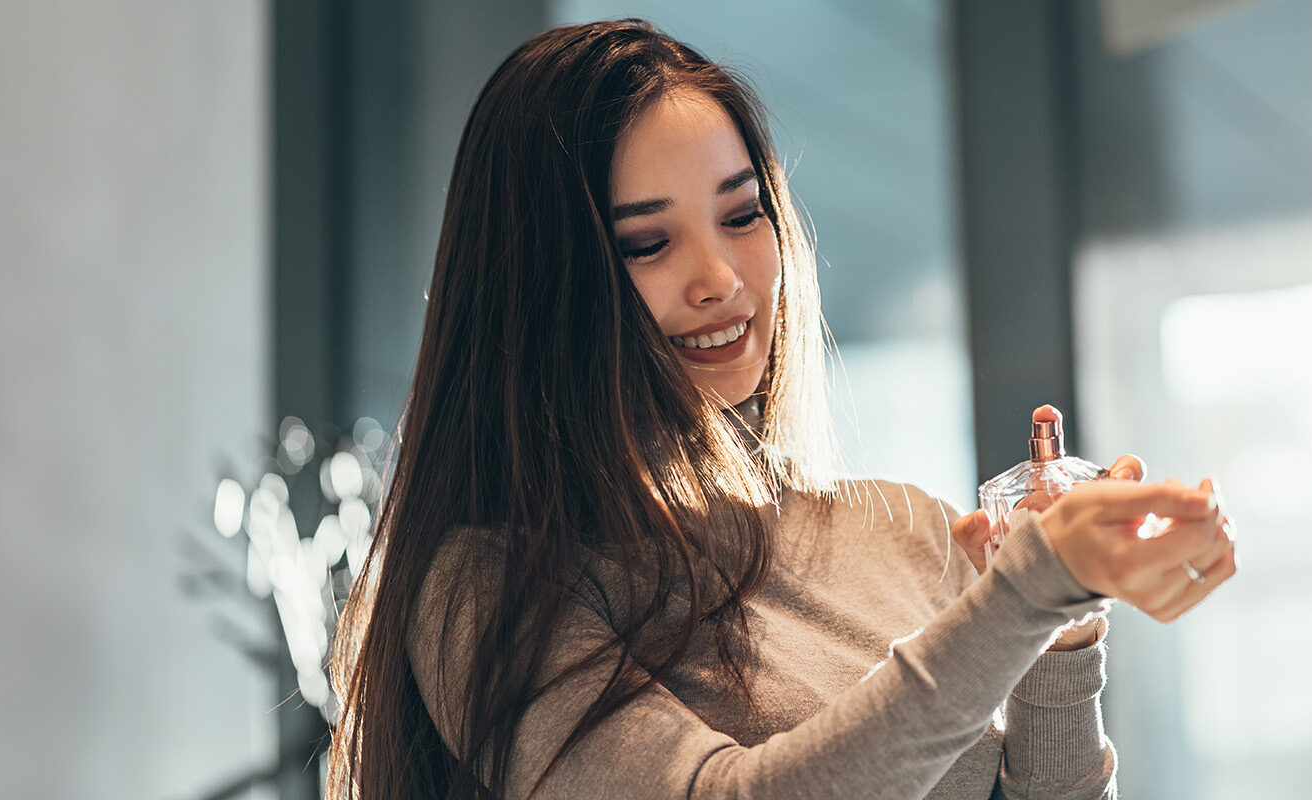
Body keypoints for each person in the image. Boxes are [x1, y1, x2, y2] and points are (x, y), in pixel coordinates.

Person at [326, 19, 1236, 800]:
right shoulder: (488, 592)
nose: (720, 281)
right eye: (648, 243)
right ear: (538, 285)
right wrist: (1023, 594)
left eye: (742, 214)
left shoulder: (901, 530)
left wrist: (1059, 629)